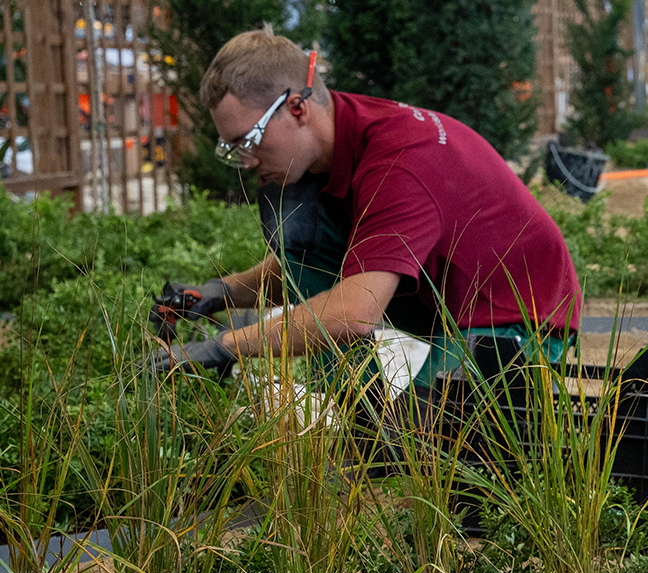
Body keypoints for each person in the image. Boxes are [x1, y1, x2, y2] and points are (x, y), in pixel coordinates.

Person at [146, 30, 580, 393]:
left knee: (419, 450)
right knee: (301, 221)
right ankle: (356, 421)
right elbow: (310, 266)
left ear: (297, 108)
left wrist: (227, 345)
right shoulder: (337, 138)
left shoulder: (400, 160)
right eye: (233, 149)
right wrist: (218, 292)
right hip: (439, 309)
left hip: (514, 325)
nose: (247, 161)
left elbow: (353, 312)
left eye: (249, 140)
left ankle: (360, 436)